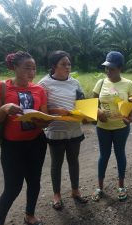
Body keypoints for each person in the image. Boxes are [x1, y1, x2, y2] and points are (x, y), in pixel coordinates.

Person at [0, 51, 49, 225]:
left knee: (34, 182)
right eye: (27, 67)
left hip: (36, 143)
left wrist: (42, 121)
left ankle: (30, 216)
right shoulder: (1, 87)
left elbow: (44, 118)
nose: (31, 72)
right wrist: (4, 108)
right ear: (14, 67)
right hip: (12, 146)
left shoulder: (39, 90)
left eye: (34, 68)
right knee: (13, 187)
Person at [38, 50, 88, 210]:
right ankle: (56, 195)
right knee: (56, 164)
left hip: (74, 130)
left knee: (74, 161)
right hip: (55, 130)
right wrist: (56, 111)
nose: (67, 67)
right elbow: (41, 110)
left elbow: (82, 103)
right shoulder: (43, 84)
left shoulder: (75, 83)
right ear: (53, 66)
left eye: (69, 64)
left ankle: (75, 191)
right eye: (63, 64)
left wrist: (86, 113)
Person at [91, 51, 132, 202]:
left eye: (112, 68)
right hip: (102, 127)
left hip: (121, 127)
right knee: (103, 155)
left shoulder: (128, 84)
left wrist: (131, 118)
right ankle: (99, 187)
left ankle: (121, 185)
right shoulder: (101, 83)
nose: (108, 71)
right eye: (106, 68)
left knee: (119, 154)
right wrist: (98, 112)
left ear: (120, 68)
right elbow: (92, 104)